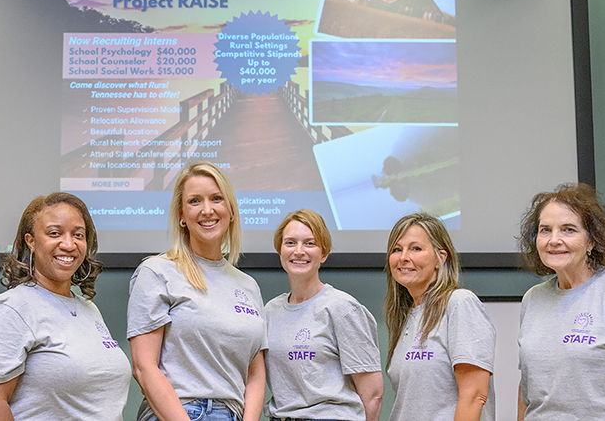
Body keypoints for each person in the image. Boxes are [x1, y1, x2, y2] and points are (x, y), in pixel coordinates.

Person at [0, 192, 131, 420]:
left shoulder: (88, 309)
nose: (68, 244)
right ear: (31, 241)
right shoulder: (12, 309)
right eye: (55, 233)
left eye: (78, 235)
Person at [127, 162, 266, 421]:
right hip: (180, 412)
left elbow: (255, 374)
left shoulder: (248, 286)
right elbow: (144, 368)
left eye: (216, 198)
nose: (207, 210)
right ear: (181, 214)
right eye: (194, 201)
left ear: (231, 210)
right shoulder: (157, 271)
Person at [517, 183, 605, 420]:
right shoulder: (533, 298)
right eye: (545, 230)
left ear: (592, 241)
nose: (554, 240)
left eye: (568, 229)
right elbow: (527, 390)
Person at [264, 209, 384, 421]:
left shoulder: (343, 309)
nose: (299, 251)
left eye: (310, 243)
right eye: (290, 243)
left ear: (324, 253)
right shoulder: (270, 312)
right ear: (280, 250)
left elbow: (373, 395)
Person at [384, 212, 495, 421]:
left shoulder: (460, 303)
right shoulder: (407, 316)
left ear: (440, 258)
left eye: (416, 248)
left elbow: (474, 396)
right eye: (397, 249)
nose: (403, 257)